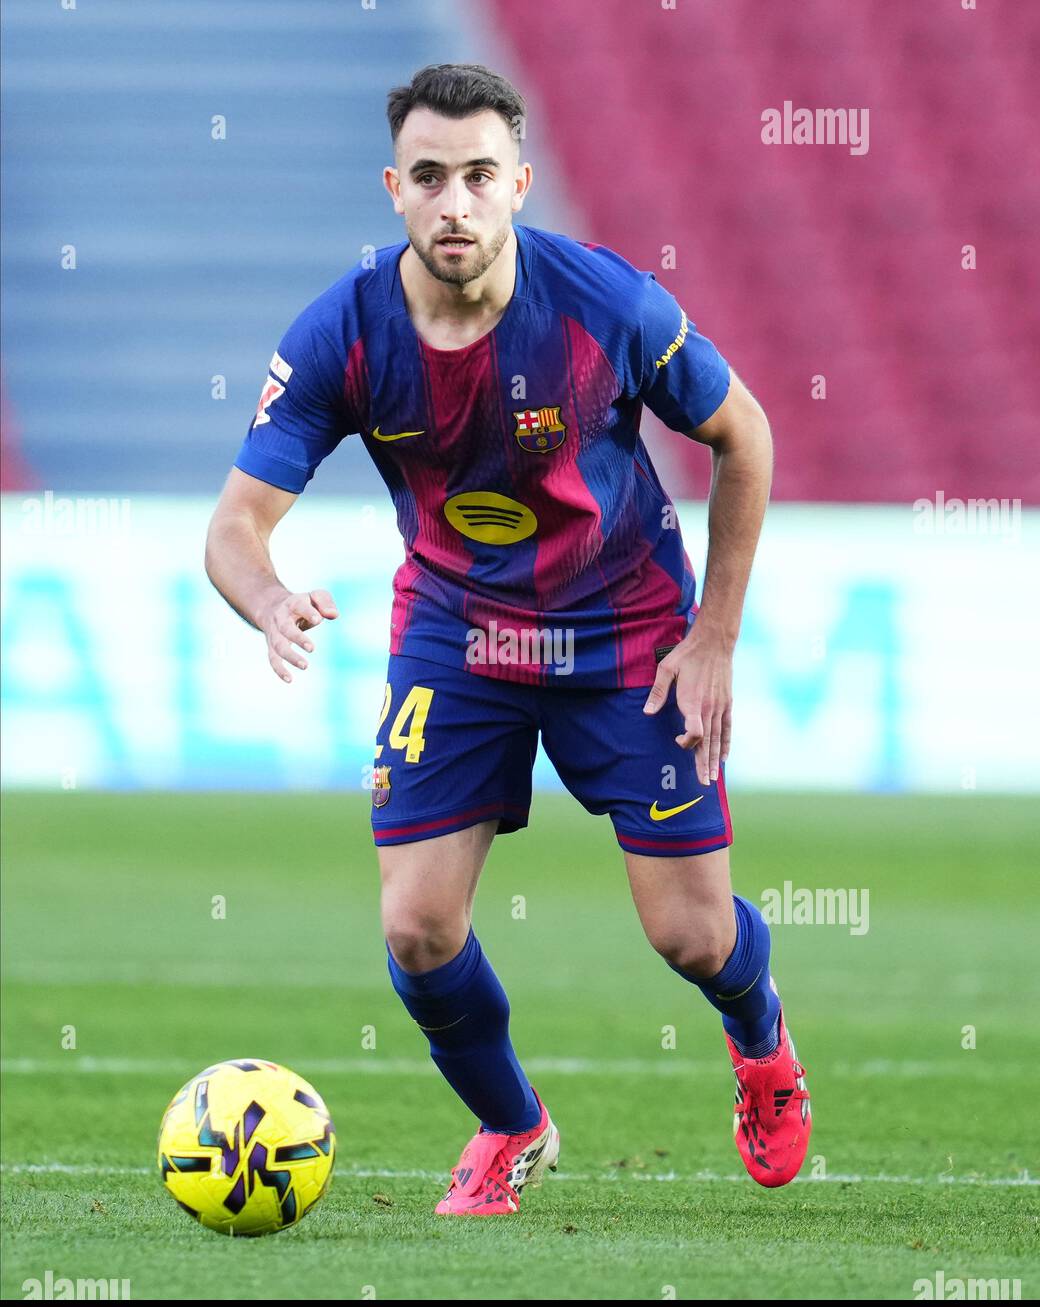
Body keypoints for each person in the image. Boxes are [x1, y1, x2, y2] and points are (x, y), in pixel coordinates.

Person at [205, 62, 811, 1216]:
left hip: (627, 631)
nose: (453, 203)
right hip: (457, 631)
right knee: (417, 926)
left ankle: (761, 1039)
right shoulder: (343, 327)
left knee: (689, 937)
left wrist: (715, 634)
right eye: (428, 177)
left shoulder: (606, 306)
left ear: (518, 184)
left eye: (478, 175)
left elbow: (747, 436)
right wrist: (268, 595)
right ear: (393, 188)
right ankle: (510, 1126)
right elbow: (234, 525)